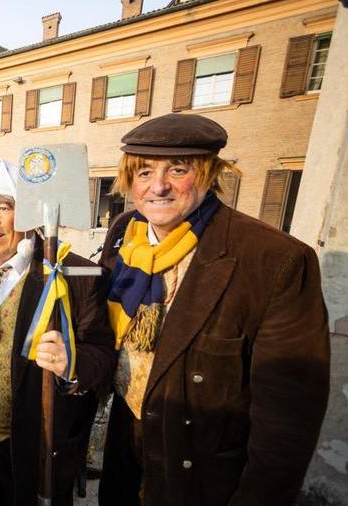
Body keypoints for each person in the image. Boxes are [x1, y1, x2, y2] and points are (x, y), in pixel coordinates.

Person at [97, 113, 330, 505]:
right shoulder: (126, 232)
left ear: (208, 173)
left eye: (178, 169)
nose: (158, 186)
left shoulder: (276, 260)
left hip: (200, 472)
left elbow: (287, 424)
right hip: (126, 453)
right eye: (144, 173)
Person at [0, 158, 116, 505]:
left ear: (29, 216)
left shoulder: (71, 274)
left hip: (29, 448)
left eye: (4, 207)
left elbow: (103, 354)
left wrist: (72, 363)